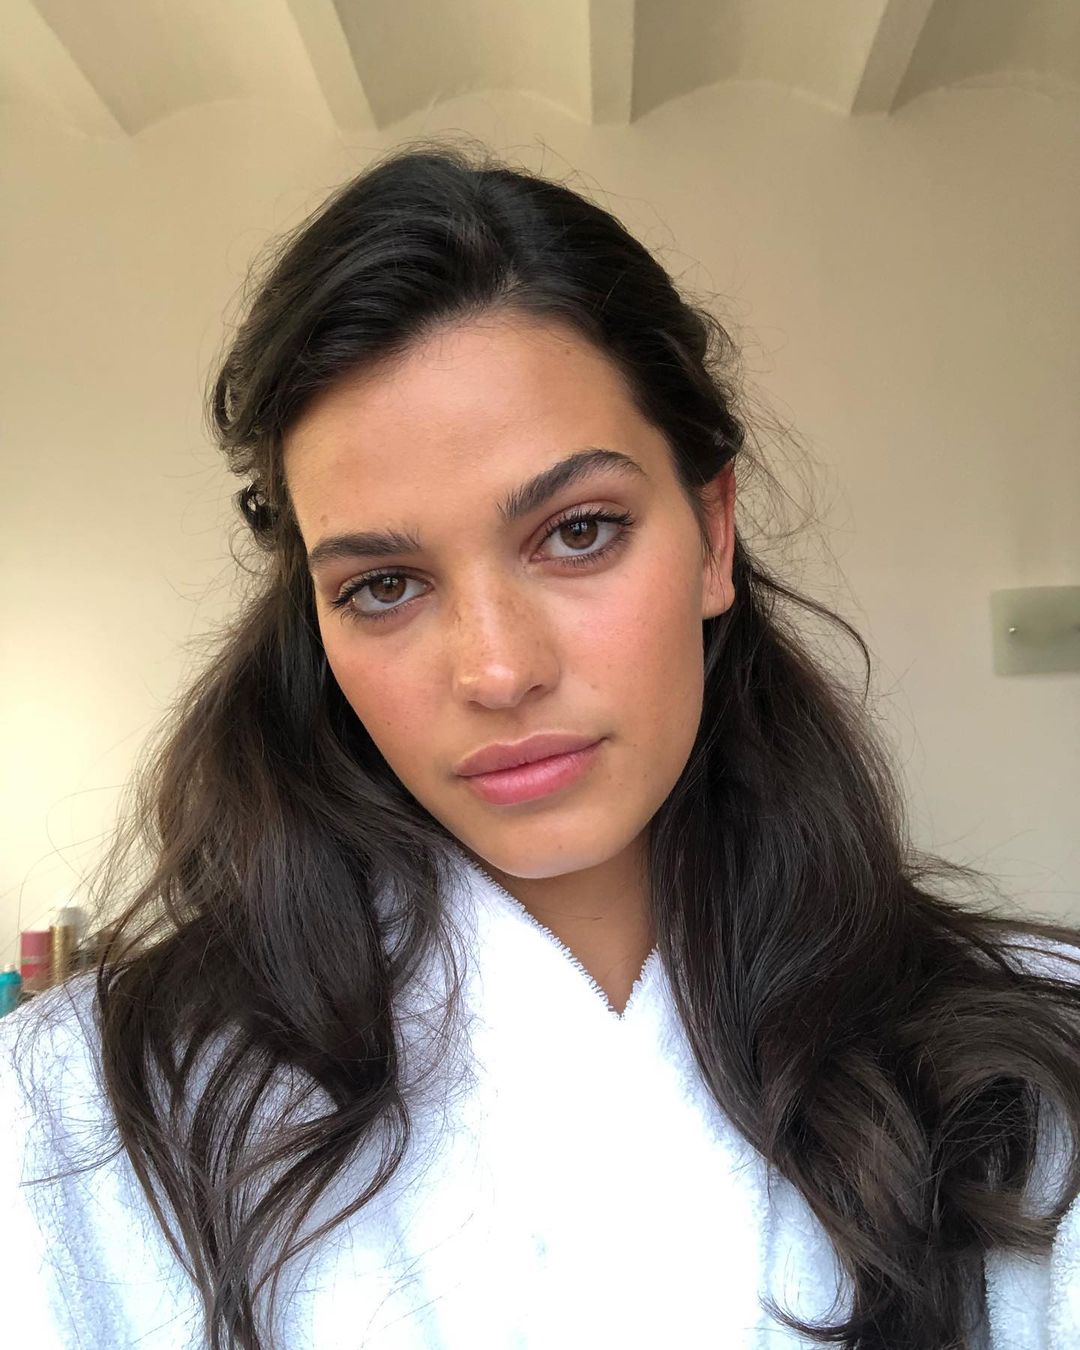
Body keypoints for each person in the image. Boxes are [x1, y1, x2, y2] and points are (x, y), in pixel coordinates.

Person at [2, 139, 1079, 1350]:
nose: (499, 670)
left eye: (578, 532)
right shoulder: (77, 1123)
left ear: (713, 534)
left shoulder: (1036, 1074)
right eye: (384, 585)